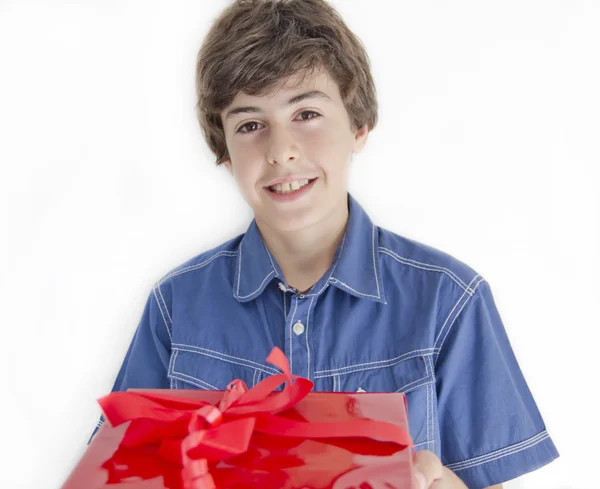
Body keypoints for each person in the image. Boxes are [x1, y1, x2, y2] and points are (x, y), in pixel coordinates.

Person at [90, 1, 559, 488]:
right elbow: (120, 476)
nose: (280, 150)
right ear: (224, 153)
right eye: (250, 125)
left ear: (359, 126)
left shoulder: (450, 303)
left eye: (307, 113)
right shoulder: (176, 306)